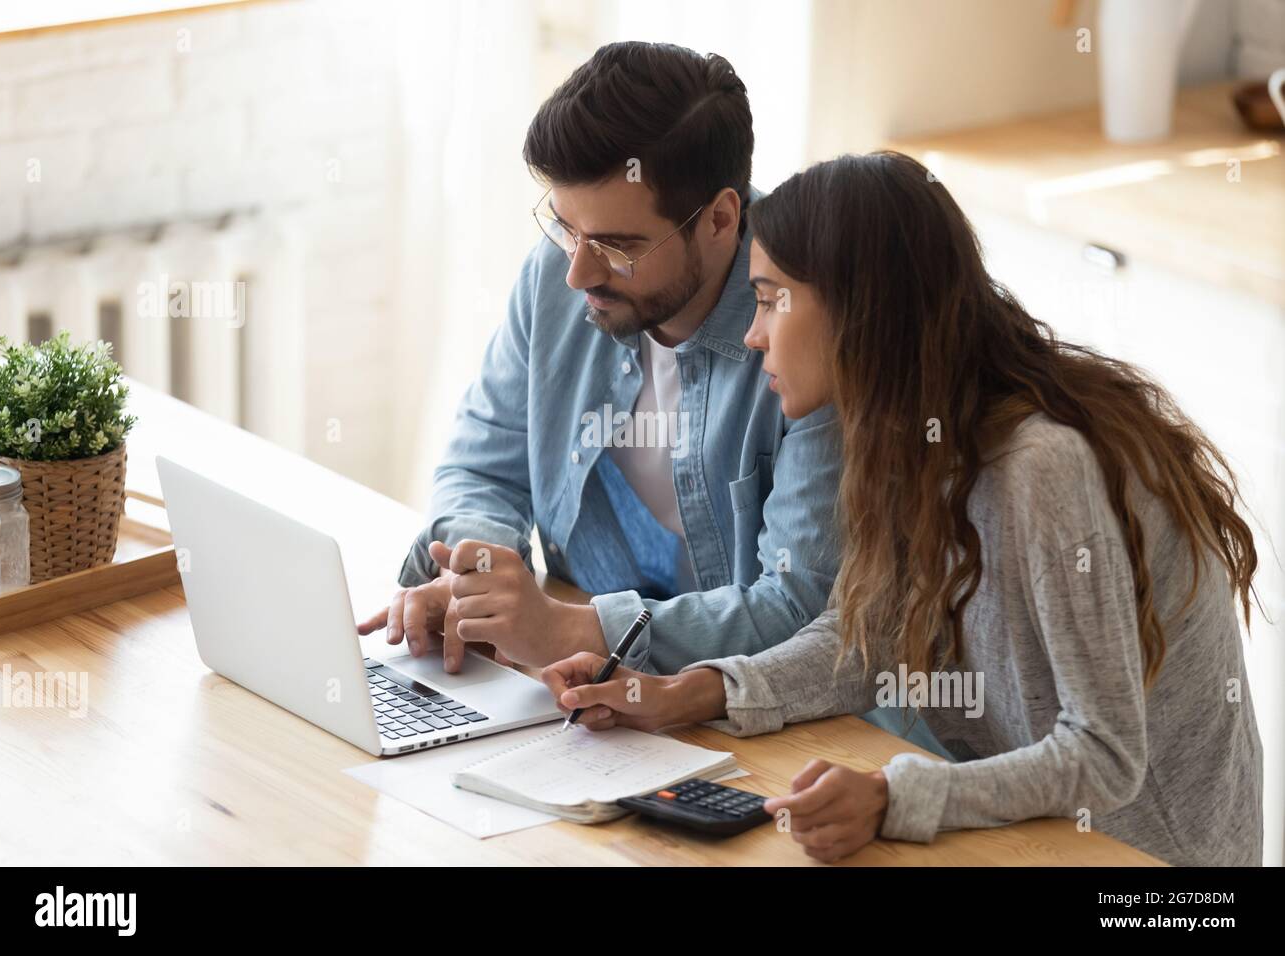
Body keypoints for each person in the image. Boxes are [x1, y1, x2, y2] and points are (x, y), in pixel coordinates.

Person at [541, 151, 1265, 866]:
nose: (753, 332)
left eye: (769, 299)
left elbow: (1104, 756)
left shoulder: (1041, 467)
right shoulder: (906, 437)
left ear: (860, 310)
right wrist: (685, 694)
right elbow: (866, 638)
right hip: (1028, 840)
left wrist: (894, 797)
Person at [357, 43, 845, 696]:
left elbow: (799, 611)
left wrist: (573, 630)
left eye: (617, 246)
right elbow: (482, 466)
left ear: (721, 220)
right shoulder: (561, 270)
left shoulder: (813, 324)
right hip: (574, 695)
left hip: (738, 721)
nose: (577, 272)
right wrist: (477, 576)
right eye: (564, 228)